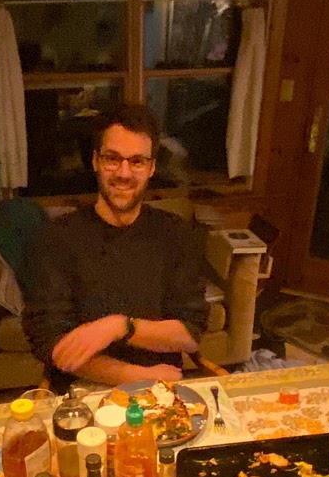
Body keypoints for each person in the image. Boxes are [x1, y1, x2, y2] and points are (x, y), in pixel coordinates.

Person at [23, 103, 208, 390]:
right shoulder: (56, 238)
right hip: (82, 391)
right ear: (95, 161)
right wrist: (135, 377)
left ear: (151, 168)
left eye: (137, 161)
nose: (124, 173)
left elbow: (189, 333)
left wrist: (119, 327)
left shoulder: (176, 234)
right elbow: (52, 345)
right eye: (113, 158)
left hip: (159, 395)